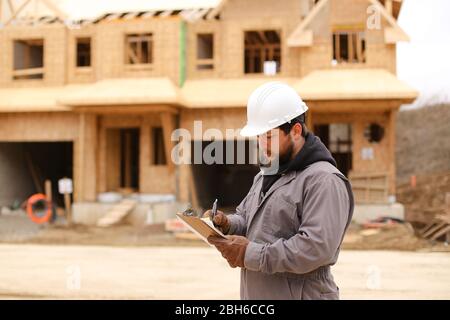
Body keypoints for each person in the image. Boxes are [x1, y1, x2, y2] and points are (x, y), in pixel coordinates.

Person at [205, 82, 354, 300]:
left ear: (295, 131)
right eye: (259, 137)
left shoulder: (324, 181)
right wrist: (227, 224)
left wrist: (249, 253)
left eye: (268, 136)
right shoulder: (266, 174)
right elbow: (249, 221)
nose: (262, 145)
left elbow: (315, 248)